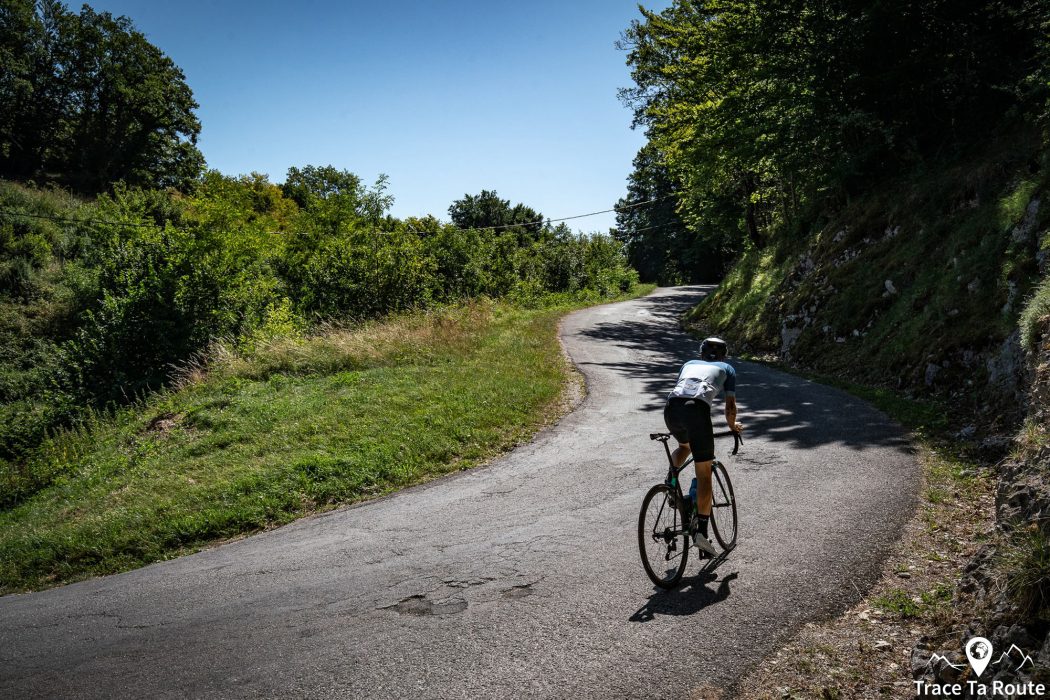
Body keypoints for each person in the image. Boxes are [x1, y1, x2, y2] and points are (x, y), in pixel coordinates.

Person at [663, 337, 743, 556]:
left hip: (671, 409)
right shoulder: (727, 369)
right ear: (724, 356)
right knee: (704, 473)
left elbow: (683, 391)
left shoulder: (688, 364)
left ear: (701, 354)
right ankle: (702, 534)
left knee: (684, 446)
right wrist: (733, 426)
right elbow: (730, 407)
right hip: (696, 412)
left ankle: (670, 484)